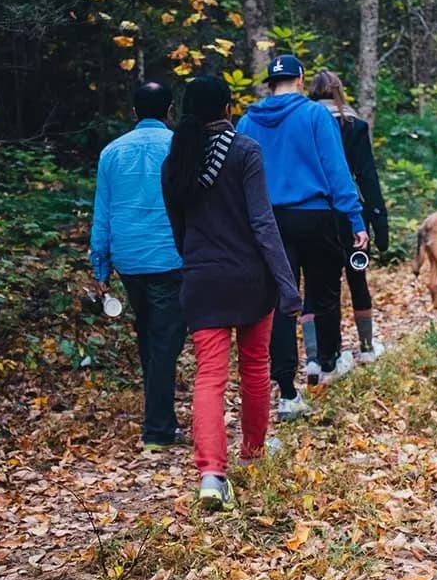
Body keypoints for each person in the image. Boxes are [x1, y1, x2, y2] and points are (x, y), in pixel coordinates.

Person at [162, 75, 301, 511]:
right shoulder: (244, 151)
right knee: (255, 368)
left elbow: (179, 230)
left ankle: (211, 474)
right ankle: (254, 454)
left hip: (202, 280)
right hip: (249, 280)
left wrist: (198, 263)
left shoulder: (175, 161)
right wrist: (286, 282)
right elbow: (263, 222)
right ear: (227, 109)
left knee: (209, 377)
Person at [237, 54, 368, 421]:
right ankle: (326, 362)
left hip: (268, 220)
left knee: (282, 300)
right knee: (323, 292)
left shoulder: (248, 121)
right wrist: (354, 217)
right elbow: (336, 169)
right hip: (315, 215)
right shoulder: (315, 115)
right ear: (299, 80)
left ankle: (286, 391)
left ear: (269, 83)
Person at [89, 82, 187, 451]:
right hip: (170, 256)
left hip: (129, 259)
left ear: (134, 112)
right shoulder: (179, 147)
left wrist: (100, 266)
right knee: (164, 340)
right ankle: (158, 429)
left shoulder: (111, 153)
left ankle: (158, 413)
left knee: (149, 333)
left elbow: (103, 213)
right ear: (169, 110)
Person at [303, 71, 389, 366]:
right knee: (357, 278)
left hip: (314, 212)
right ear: (340, 91)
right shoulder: (355, 125)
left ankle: (315, 356)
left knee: (315, 285)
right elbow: (366, 175)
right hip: (351, 214)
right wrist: (379, 218)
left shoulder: (304, 124)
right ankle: (366, 347)